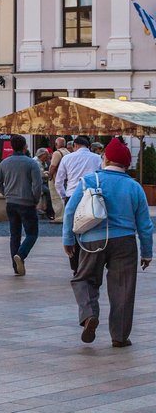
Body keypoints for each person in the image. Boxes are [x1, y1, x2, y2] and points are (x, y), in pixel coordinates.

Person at [63, 138, 154, 348]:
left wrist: (68, 239)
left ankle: (89, 316)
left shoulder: (89, 181)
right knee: (123, 289)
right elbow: (145, 224)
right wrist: (147, 253)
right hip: (125, 242)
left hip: (92, 240)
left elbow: (70, 211)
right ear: (126, 164)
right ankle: (120, 337)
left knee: (84, 279)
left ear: (106, 158)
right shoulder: (134, 186)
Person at [0, 135, 43, 275]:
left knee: (14, 235)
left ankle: (16, 267)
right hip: (27, 203)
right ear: (25, 147)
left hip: (11, 203)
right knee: (32, 234)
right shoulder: (31, 163)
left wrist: (6, 194)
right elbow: (37, 185)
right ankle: (21, 255)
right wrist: (35, 199)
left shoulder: (4, 162)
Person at [55, 136, 103, 270]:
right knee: (91, 227)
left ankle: (75, 266)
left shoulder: (67, 158)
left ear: (75, 145)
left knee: (73, 229)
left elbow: (59, 181)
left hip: (72, 196)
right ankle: (89, 263)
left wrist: (63, 196)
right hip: (91, 197)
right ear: (88, 146)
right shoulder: (97, 158)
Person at [47, 136, 71, 221]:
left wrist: (50, 176)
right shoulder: (68, 152)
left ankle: (59, 217)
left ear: (56, 144)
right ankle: (65, 216)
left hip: (56, 178)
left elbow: (53, 165)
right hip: (66, 178)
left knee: (56, 197)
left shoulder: (57, 153)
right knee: (64, 197)